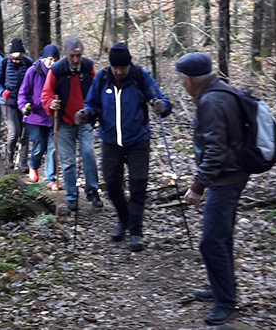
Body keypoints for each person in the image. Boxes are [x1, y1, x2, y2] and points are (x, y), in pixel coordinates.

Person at [178, 52, 248, 326]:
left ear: (193, 80)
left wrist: (197, 186)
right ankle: (221, 288)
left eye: (183, 78)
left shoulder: (211, 101)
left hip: (225, 179)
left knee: (211, 241)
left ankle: (225, 302)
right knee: (221, 238)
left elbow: (215, 151)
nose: (182, 83)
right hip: (231, 175)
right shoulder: (220, 92)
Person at [79, 43, 171, 252]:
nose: (119, 72)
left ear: (129, 65)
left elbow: (159, 98)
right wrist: (85, 114)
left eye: (122, 68)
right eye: (115, 68)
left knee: (138, 185)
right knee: (112, 184)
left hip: (138, 140)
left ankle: (136, 232)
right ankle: (124, 220)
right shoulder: (103, 78)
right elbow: (91, 103)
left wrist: (161, 106)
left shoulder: (140, 76)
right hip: (110, 141)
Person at [40, 37, 103, 211]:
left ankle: (92, 191)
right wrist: (51, 103)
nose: (75, 59)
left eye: (78, 55)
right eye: (71, 56)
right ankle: (71, 196)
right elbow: (46, 94)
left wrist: (98, 114)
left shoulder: (88, 67)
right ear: (66, 54)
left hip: (84, 120)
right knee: (68, 162)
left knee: (89, 153)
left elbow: (97, 91)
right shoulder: (56, 70)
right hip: (64, 122)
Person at [18, 44, 60, 188]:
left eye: (55, 60)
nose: (52, 63)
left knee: (53, 148)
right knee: (39, 146)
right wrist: (24, 107)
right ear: (43, 58)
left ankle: (50, 179)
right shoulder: (33, 71)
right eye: (50, 59)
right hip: (35, 116)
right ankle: (33, 166)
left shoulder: (58, 73)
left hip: (52, 116)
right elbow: (23, 92)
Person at [0, 38, 34, 172]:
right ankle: (9, 158)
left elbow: (33, 81)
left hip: (24, 101)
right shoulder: (4, 63)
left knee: (25, 133)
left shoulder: (28, 63)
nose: (17, 61)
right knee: (13, 132)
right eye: (15, 59)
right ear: (10, 55)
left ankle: (23, 162)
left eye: (19, 58)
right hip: (8, 102)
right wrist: (2, 92)